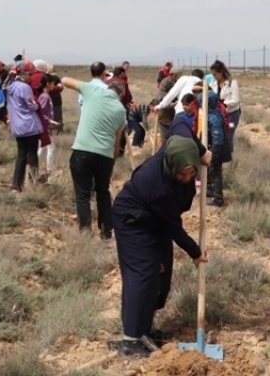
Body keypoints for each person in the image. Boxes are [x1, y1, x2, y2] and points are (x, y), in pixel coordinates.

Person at [111, 136, 209, 358]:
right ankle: (132, 339)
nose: (186, 179)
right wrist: (195, 252)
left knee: (161, 272)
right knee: (143, 273)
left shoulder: (176, 148)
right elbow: (173, 226)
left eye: (191, 173)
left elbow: (183, 130)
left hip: (154, 218)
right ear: (171, 165)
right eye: (181, 174)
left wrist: (203, 152)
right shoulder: (156, 185)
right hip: (133, 221)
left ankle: (145, 328)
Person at [61, 74, 127, 238]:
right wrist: (111, 164)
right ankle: (106, 232)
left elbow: (64, 80)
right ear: (121, 95)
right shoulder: (121, 110)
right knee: (103, 192)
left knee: (82, 194)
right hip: (104, 156)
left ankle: (85, 231)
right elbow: (117, 143)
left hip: (82, 151)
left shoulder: (92, 90)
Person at [7, 65, 41, 192]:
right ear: (24, 74)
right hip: (29, 125)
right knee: (32, 155)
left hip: (17, 126)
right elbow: (32, 105)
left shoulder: (11, 86)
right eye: (30, 74)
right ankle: (34, 183)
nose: (32, 77)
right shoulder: (25, 87)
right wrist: (38, 105)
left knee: (21, 155)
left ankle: (16, 184)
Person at [209, 61, 241, 150]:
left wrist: (222, 104)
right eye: (212, 74)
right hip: (219, 115)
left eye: (215, 74)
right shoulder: (213, 84)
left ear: (221, 72)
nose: (213, 76)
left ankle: (229, 158)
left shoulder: (232, 83)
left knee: (228, 135)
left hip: (231, 116)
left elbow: (236, 100)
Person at [36, 73, 60, 178]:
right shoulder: (44, 97)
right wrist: (51, 121)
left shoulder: (45, 96)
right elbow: (40, 113)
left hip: (45, 126)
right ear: (47, 84)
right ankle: (49, 170)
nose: (54, 86)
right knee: (51, 147)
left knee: (43, 147)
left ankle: (33, 165)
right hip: (43, 127)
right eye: (53, 83)